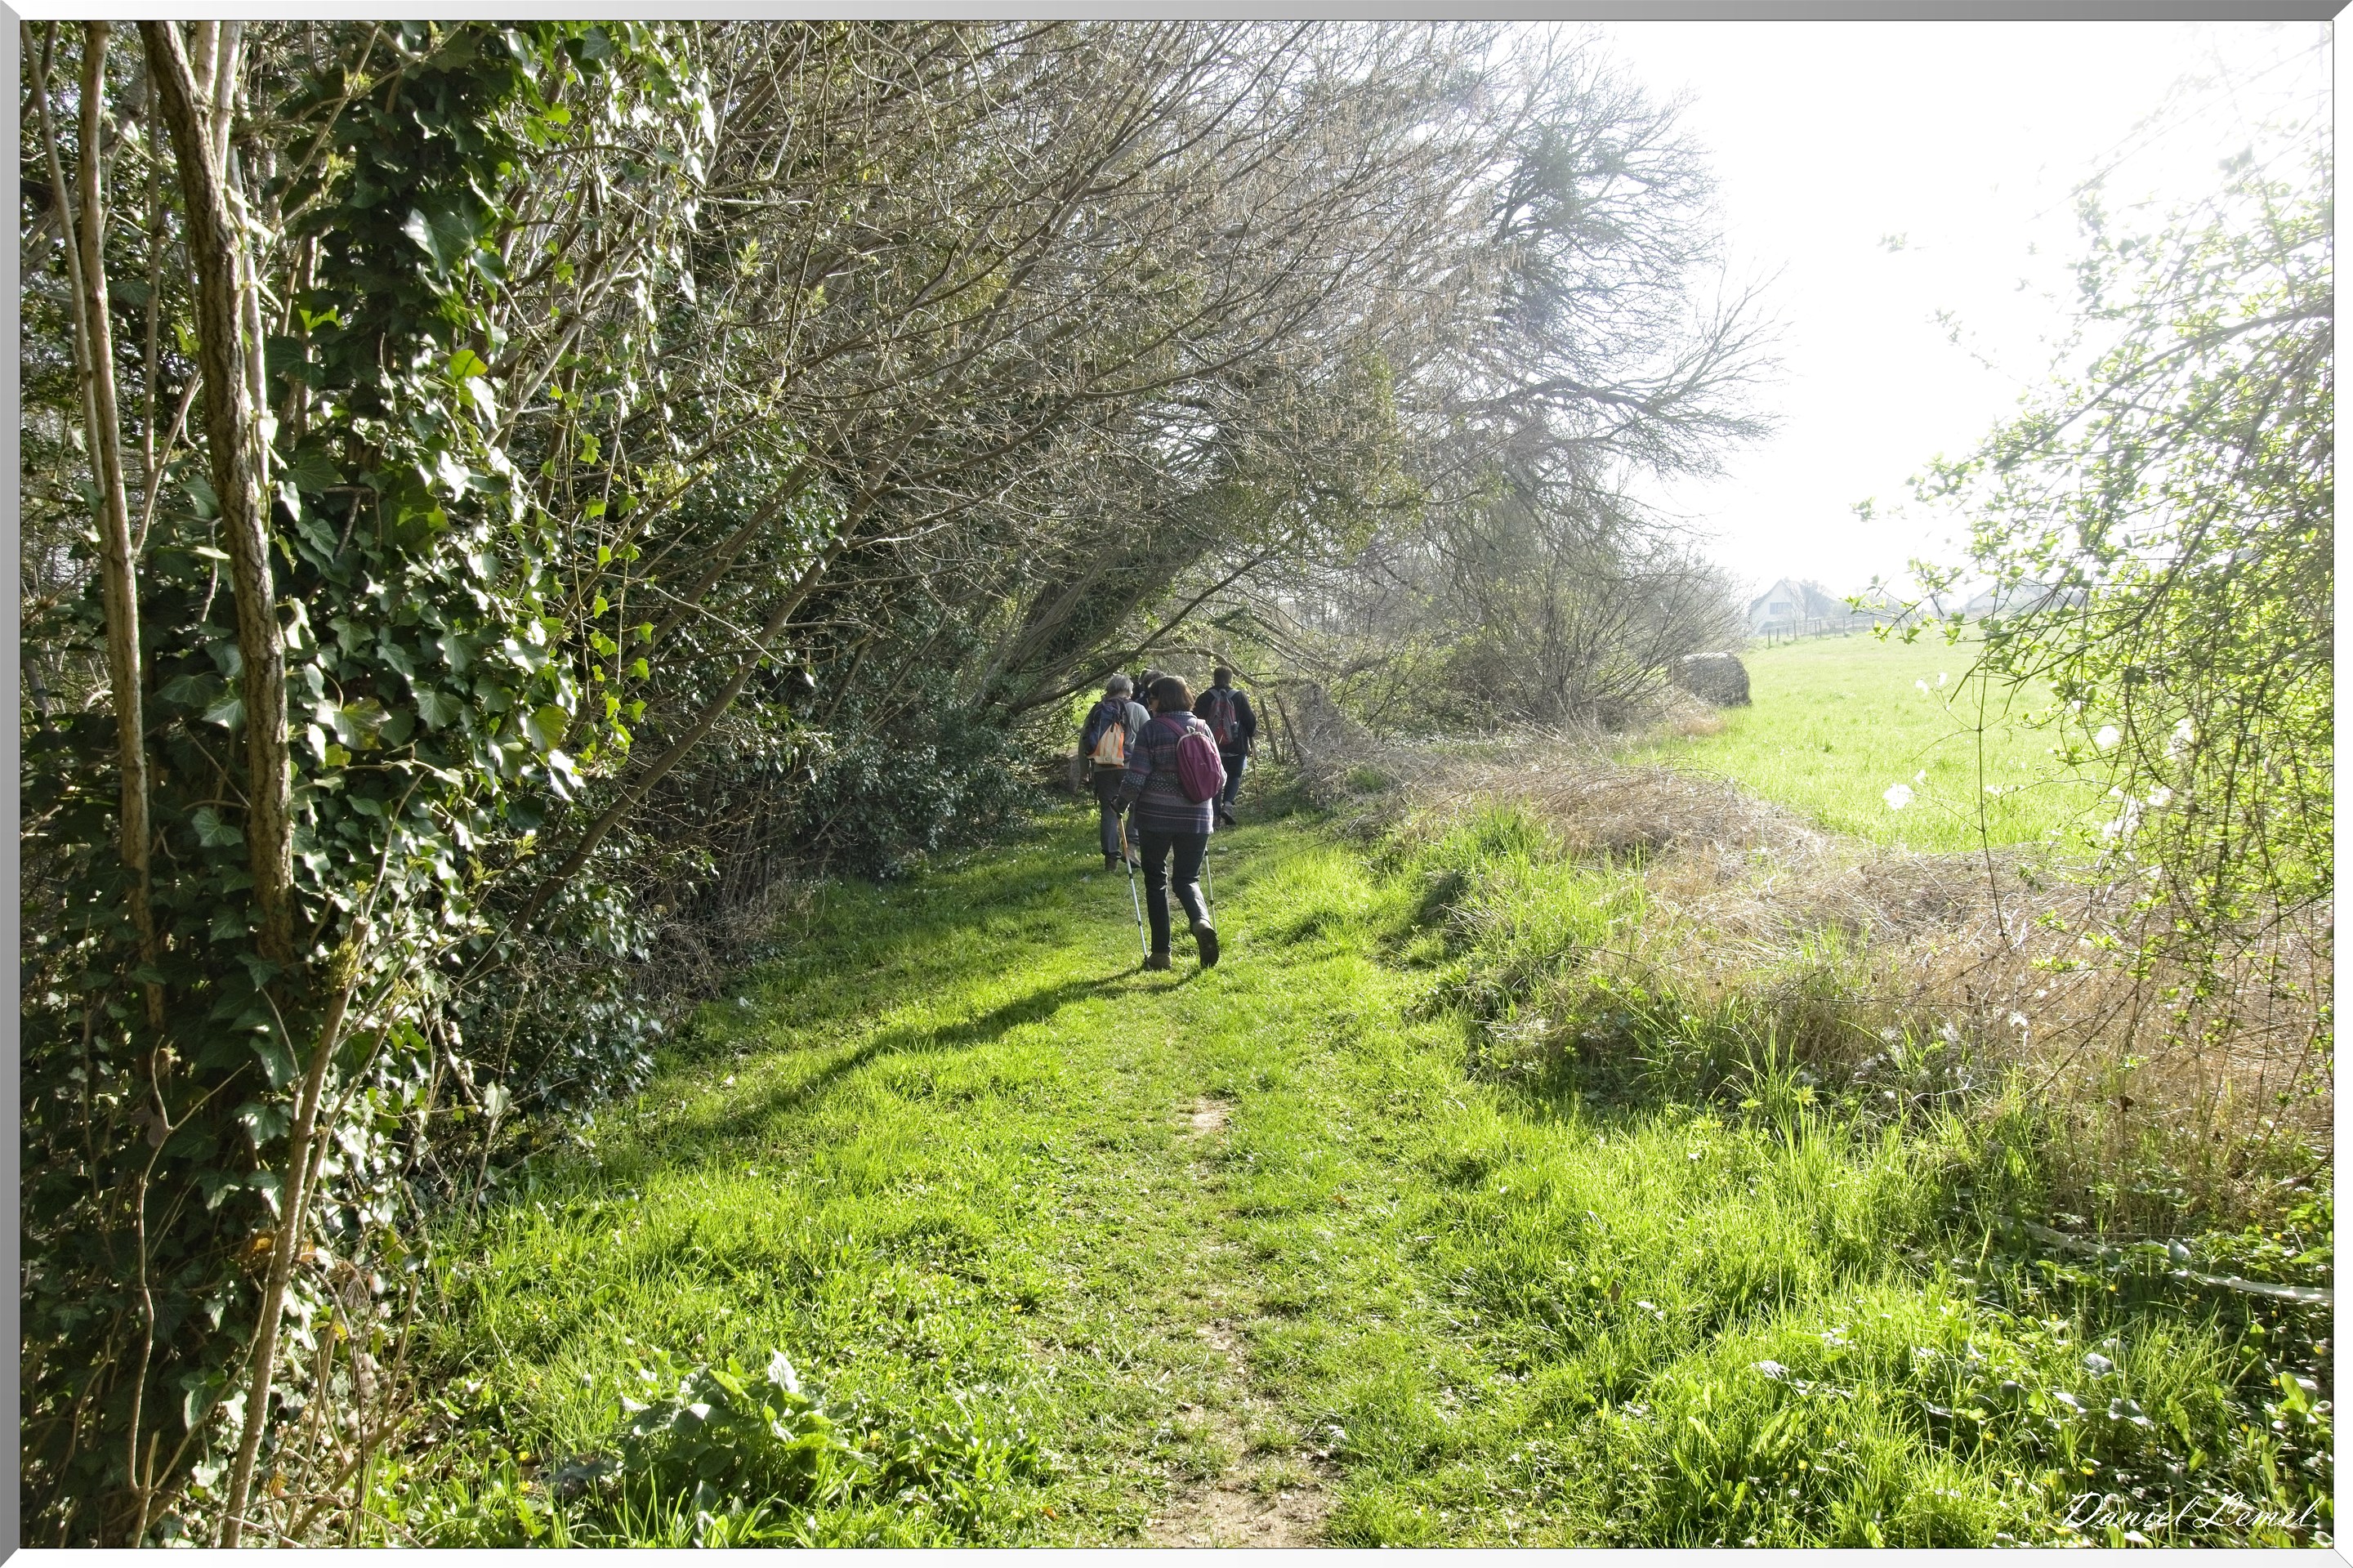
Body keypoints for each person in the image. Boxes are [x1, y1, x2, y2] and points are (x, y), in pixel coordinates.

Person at [1114, 675, 1222, 970]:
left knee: (1155, 880)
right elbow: (1221, 776)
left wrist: (1120, 804)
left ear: (1162, 699)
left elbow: (1136, 778)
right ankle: (1201, 921)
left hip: (1156, 817)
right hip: (1198, 817)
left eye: (1151, 698)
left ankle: (1161, 954)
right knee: (1187, 879)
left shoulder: (1152, 729)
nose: (1149, 703)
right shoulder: (1203, 727)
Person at [1079, 675, 1150, 871]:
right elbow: (1149, 737)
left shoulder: (1097, 710)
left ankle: (1110, 860)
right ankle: (1131, 849)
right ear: (1129, 690)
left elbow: (1084, 740)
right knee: (1137, 806)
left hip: (1103, 768)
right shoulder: (1137, 709)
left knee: (1109, 812)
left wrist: (1084, 770)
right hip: (1131, 767)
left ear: (1109, 690)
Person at [1193, 666, 1257, 827]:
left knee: (1215, 778)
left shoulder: (1204, 697)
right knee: (1234, 776)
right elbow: (1250, 720)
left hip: (1211, 747)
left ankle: (1214, 816)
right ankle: (1227, 805)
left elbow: (1195, 721)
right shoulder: (1239, 696)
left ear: (1214, 679)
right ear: (1230, 679)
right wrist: (1250, 735)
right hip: (1236, 746)